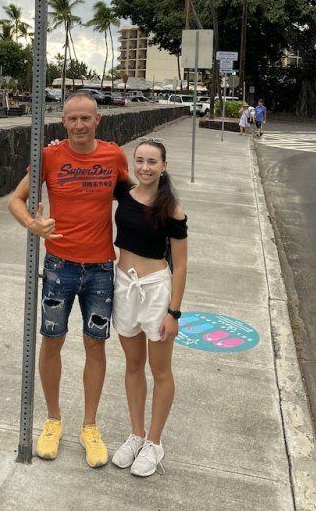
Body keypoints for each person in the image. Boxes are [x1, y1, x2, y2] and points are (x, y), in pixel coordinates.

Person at [7, 92, 130, 468]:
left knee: (96, 345)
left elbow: (137, 198)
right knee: (52, 341)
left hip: (100, 269)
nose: (79, 125)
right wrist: (33, 224)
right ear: (63, 122)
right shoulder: (48, 157)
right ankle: (53, 420)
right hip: (59, 267)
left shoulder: (114, 156)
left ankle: (89, 426)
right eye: (72, 119)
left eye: (85, 118)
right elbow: (15, 200)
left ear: (98, 120)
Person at [111, 138, 188, 477]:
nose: (144, 167)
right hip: (124, 286)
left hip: (156, 290)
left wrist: (173, 312)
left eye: (152, 161)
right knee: (133, 364)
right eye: (139, 160)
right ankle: (136, 434)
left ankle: (154, 442)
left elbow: (181, 266)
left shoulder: (172, 209)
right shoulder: (124, 193)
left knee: (160, 370)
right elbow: (89, 164)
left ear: (164, 166)